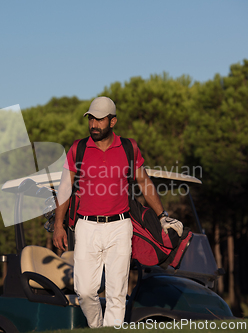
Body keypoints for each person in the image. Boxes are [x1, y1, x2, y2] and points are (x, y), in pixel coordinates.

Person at [52, 96, 169, 327]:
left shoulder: (128, 147)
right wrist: (58, 225)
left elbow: (144, 183)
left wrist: (162, 216)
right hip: (86, 227)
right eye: (91, 119)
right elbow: (65, 187)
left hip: (120, 227)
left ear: (112, 122)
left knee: (116, 293)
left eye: (99, 120)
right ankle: (97, 328)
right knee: (85, 291)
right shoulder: (79, 148)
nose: (93, 125)